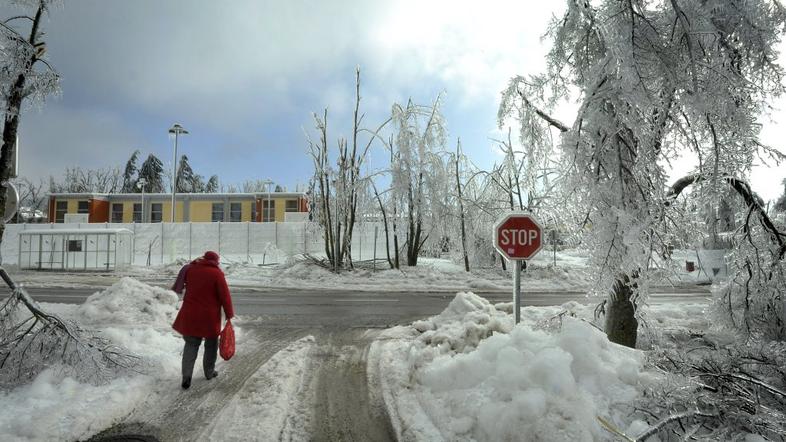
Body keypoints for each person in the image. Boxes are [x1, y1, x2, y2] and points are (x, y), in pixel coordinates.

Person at [172, 251, 234, 390]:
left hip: (190, 315)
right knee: (211, 345)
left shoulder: (191, 269)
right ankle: (209, 372)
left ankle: (186, 376)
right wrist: (229, 314)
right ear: (216, 261)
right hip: (209, 317)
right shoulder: (217, 274)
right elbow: (225, 296)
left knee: (191, 345)